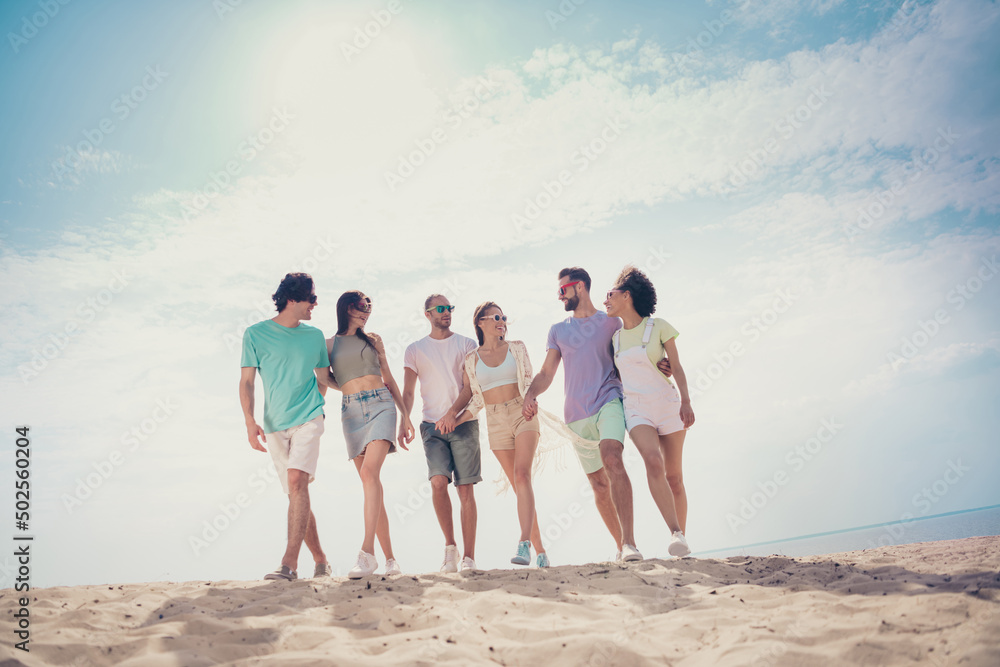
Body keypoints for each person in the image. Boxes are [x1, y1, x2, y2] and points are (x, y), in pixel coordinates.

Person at [523, 267, 671, 563]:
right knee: (599, 485)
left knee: (613, 458)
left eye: (562, 289)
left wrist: (660, 362)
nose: (560, 295)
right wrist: (530, 394)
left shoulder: (612, 323)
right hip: (576, 415)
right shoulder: (558, 330)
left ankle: (630, 543)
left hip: (609, 400)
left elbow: (637, 346)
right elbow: (546, 372)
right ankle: (620, 547)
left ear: (579, 287)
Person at [239, 272, 335, 581]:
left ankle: (288, 564)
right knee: (297, 493)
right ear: (292, 299)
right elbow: (247, 382)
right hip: (273, 425)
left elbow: (323, 379)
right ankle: (321, 559)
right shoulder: (255, 335)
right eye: (311, 298)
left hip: (309, 417)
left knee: (297, 482)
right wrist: (249, 420)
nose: (315, 304)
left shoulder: (314, 336)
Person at [440, 302, 549, 568]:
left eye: (504, 317)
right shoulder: (471, 360)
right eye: (496, 317)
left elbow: (530, 379)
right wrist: (454, 419)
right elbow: (476, 401)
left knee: (522, 475)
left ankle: (523, 544)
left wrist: (531, 398)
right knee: (518, 486)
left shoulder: (517, 348)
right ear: (481, 322)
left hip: (522, 413)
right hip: (494, 420)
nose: (502, 321)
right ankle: (541, 551)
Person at [604, 266, 693, 557]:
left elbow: (676, 366)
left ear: (626, 295)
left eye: (610, 294)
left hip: (668, 405)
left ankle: (681, 538)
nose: (606, 300)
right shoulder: (614, 339)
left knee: (674, 477)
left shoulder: (659, 326)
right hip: (637, 409)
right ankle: (674, 532)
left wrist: (686, 401)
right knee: (653, 462)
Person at [327, 290, 412, 579]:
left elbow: (388, 376)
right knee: (370, 484)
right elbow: (321, 377)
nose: (367, 311)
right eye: (363, 306)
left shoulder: (374, 340)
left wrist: (405, 416)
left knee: (369, 474)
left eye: (370, 306)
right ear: (347, 307)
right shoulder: (328, 345)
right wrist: (349, 388)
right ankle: (390, 560)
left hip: (382, 406)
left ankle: (367, 553)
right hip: (350, 413)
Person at [400, 294, 481, 572]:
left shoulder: (468, 344)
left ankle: (469, 557)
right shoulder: (414, 350)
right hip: (431, 426)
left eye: (450, 308)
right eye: (441, 309)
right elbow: (408, 391)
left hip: (464, 423)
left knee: (465, 488)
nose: (447, 313)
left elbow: (470, 388)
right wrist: (404, 418)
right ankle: (450, 549)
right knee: (437, 482)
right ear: (428, 314)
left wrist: (453, 416)